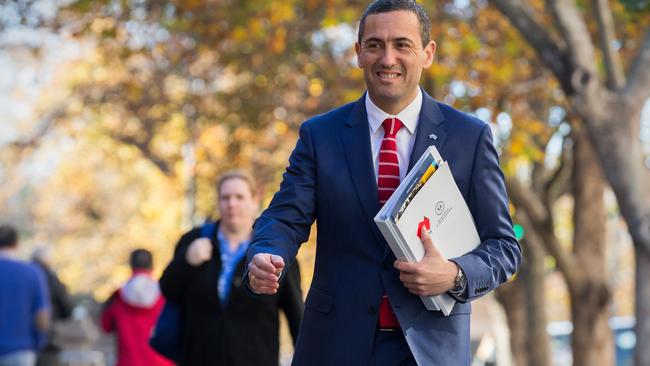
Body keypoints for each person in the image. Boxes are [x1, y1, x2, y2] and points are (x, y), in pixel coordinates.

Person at [245, 1, 522, 365]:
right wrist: (265, 252)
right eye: (375, 45)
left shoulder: (469, 137)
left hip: (430, 350)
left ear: (427, 53)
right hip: (334, 347)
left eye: (402, 45)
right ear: (359, 53)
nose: (387, 58)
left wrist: (454, 275)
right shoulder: (321, 136)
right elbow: (284, 217)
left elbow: (504, 247)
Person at [160, 170, 303, 366]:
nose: (232, 203)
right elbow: (168, 291)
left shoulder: (275, 252)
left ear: (255, 200)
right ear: (218, 202)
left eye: (239, 197)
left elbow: (296, 315)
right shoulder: (193, 240)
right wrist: (187, 261)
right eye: (225, 197)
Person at [101, 249, 173, 366]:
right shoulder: (166, 294)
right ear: (152, 266)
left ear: (131, 266)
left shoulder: (118, 297)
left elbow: (106, 326)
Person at [0, 225, 50, 366]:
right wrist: (38, 343)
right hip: (21, 351)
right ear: (16, 244)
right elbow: (42, 317)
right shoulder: (32, 273)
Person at [31, 245, 74, 366]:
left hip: (24, 340)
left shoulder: (25, 276)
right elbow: (67, 309)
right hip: (48, 342)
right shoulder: (52, 278)